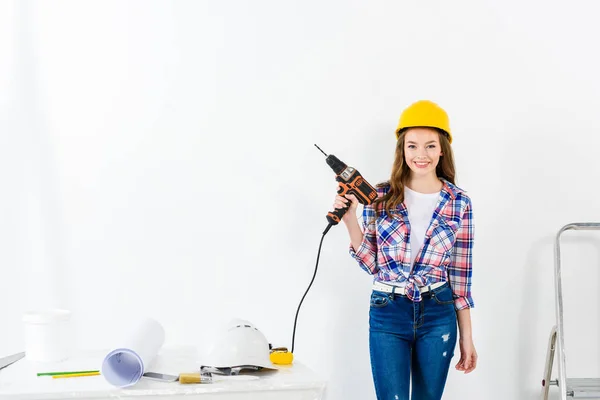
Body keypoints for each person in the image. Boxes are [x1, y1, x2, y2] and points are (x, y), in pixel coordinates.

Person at [334, 100, 477, 400]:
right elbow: (373, 264)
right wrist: (350, 219)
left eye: (429, 146)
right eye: (412, 146)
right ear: (402, 150)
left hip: (438, 312)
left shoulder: (459, 203)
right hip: (388, 310)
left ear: (442, 150)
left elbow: (461, 279)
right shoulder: (380, 196)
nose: (420, 154)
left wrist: (467, 337)